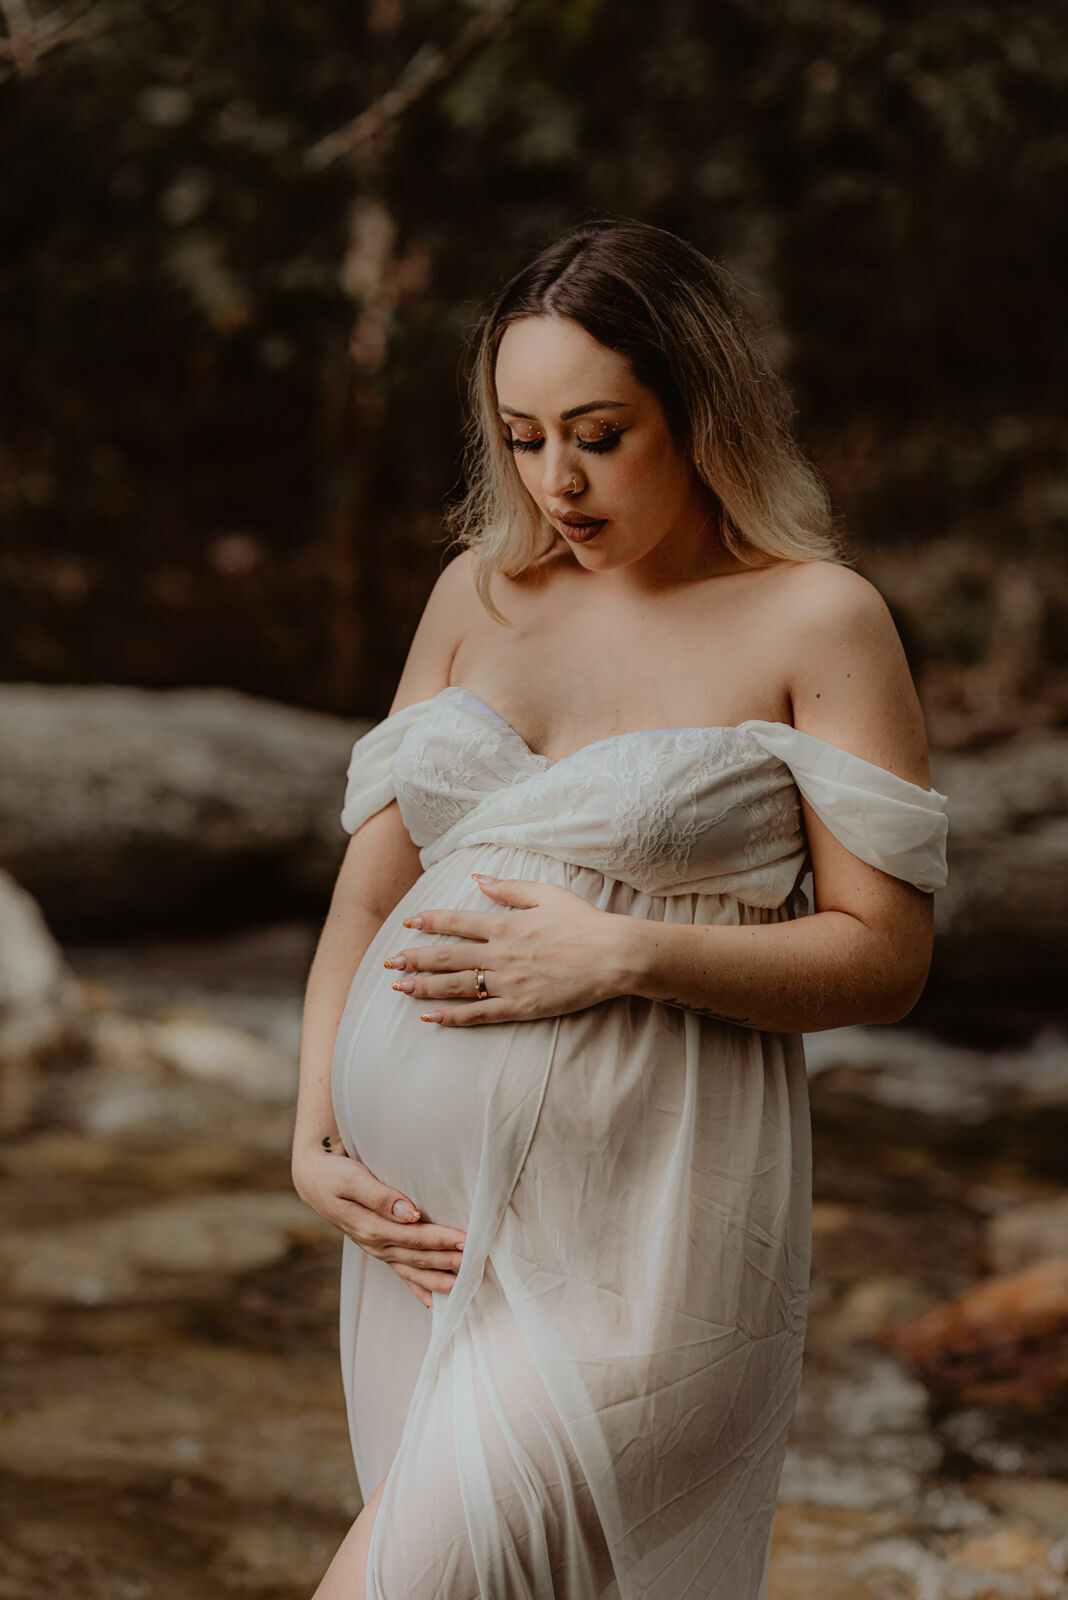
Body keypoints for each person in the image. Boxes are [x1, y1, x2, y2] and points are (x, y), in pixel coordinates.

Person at [292, 219, 948, 1600]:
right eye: (523, 436)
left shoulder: (816, 619)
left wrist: (629, 950)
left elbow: (886, 958)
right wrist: (311, 1138)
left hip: (640, 1252)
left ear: (699, 413)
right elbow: (366, 901)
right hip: (423, 1236)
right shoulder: (474, 595)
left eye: (599, 432)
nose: (559, 479)